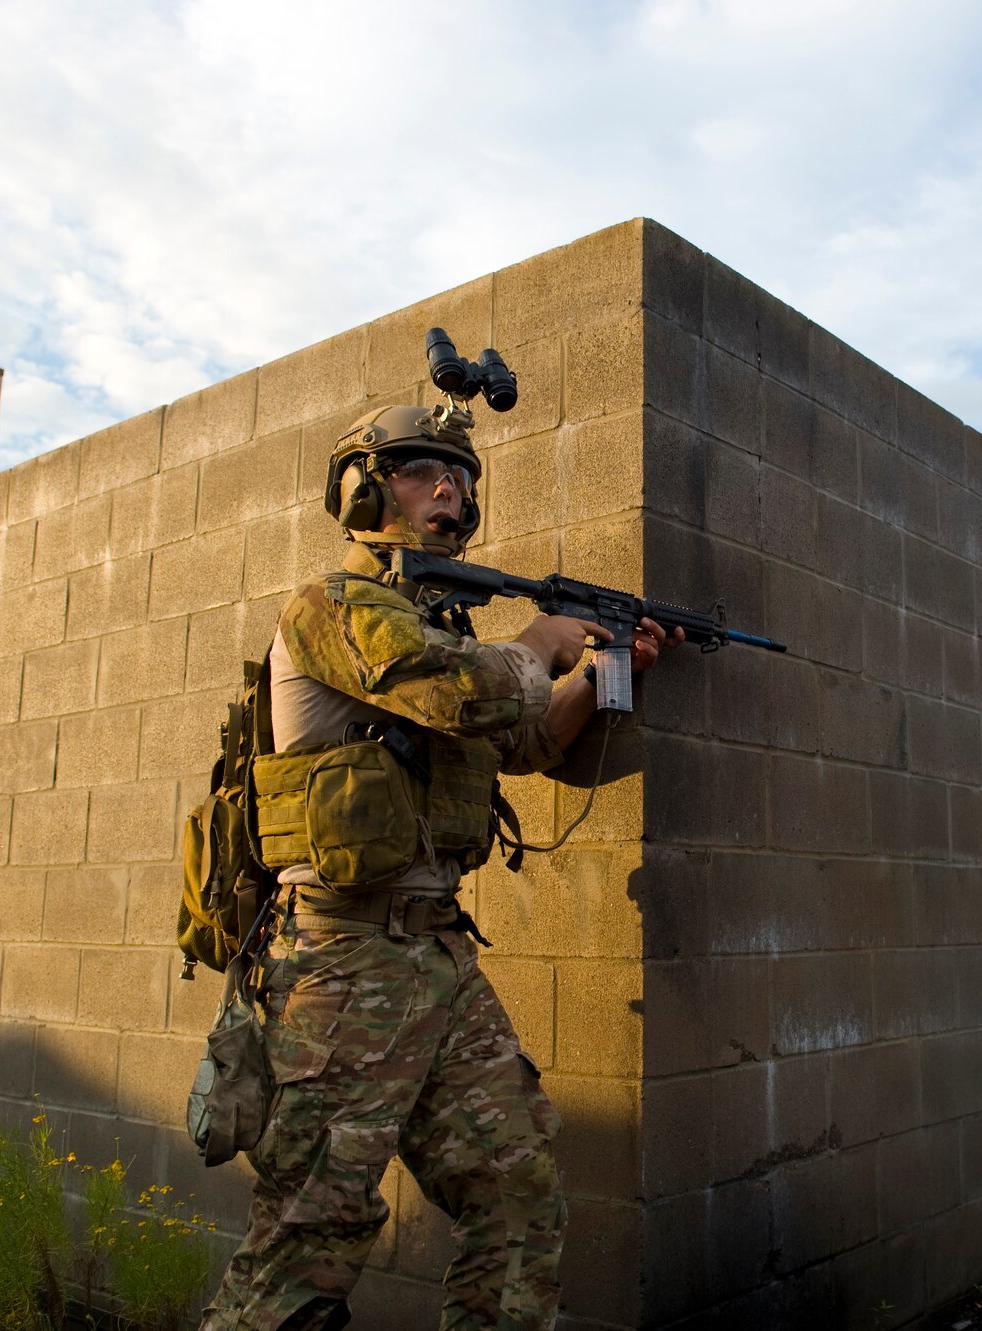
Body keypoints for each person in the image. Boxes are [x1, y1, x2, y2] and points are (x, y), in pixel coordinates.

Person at [202, 402, 680, 1331]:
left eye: (460, 476)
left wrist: (599, 671)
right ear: (364, 491)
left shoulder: (449, 629)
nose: (448, 490)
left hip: (439, 963)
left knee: (520, 1188)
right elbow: (457, 691)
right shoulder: (332, 608)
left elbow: (527, 741)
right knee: (313, 1229)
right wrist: (544, 637)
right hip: (339, 964)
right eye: (424, 473)